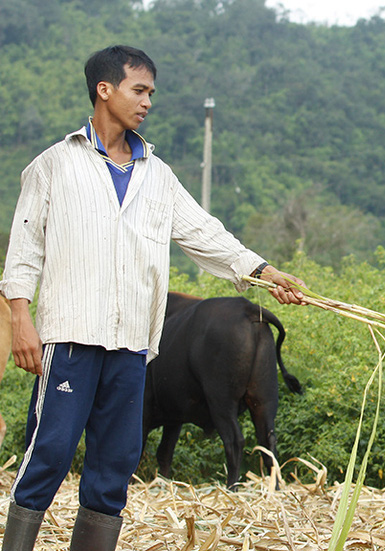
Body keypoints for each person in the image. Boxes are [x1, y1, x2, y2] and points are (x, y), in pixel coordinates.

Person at [0, 45, 306, 550]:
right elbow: (25, 248)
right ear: (105, 90)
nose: (147, 102)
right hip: (69, 338)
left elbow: (203, 232)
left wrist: (262, 270)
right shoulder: (54, 165)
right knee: (49, 453)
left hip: (131, 346)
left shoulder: (156, 175)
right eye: (138, 90)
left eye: (150, 94)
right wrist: (21, 318)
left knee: (116, 462)